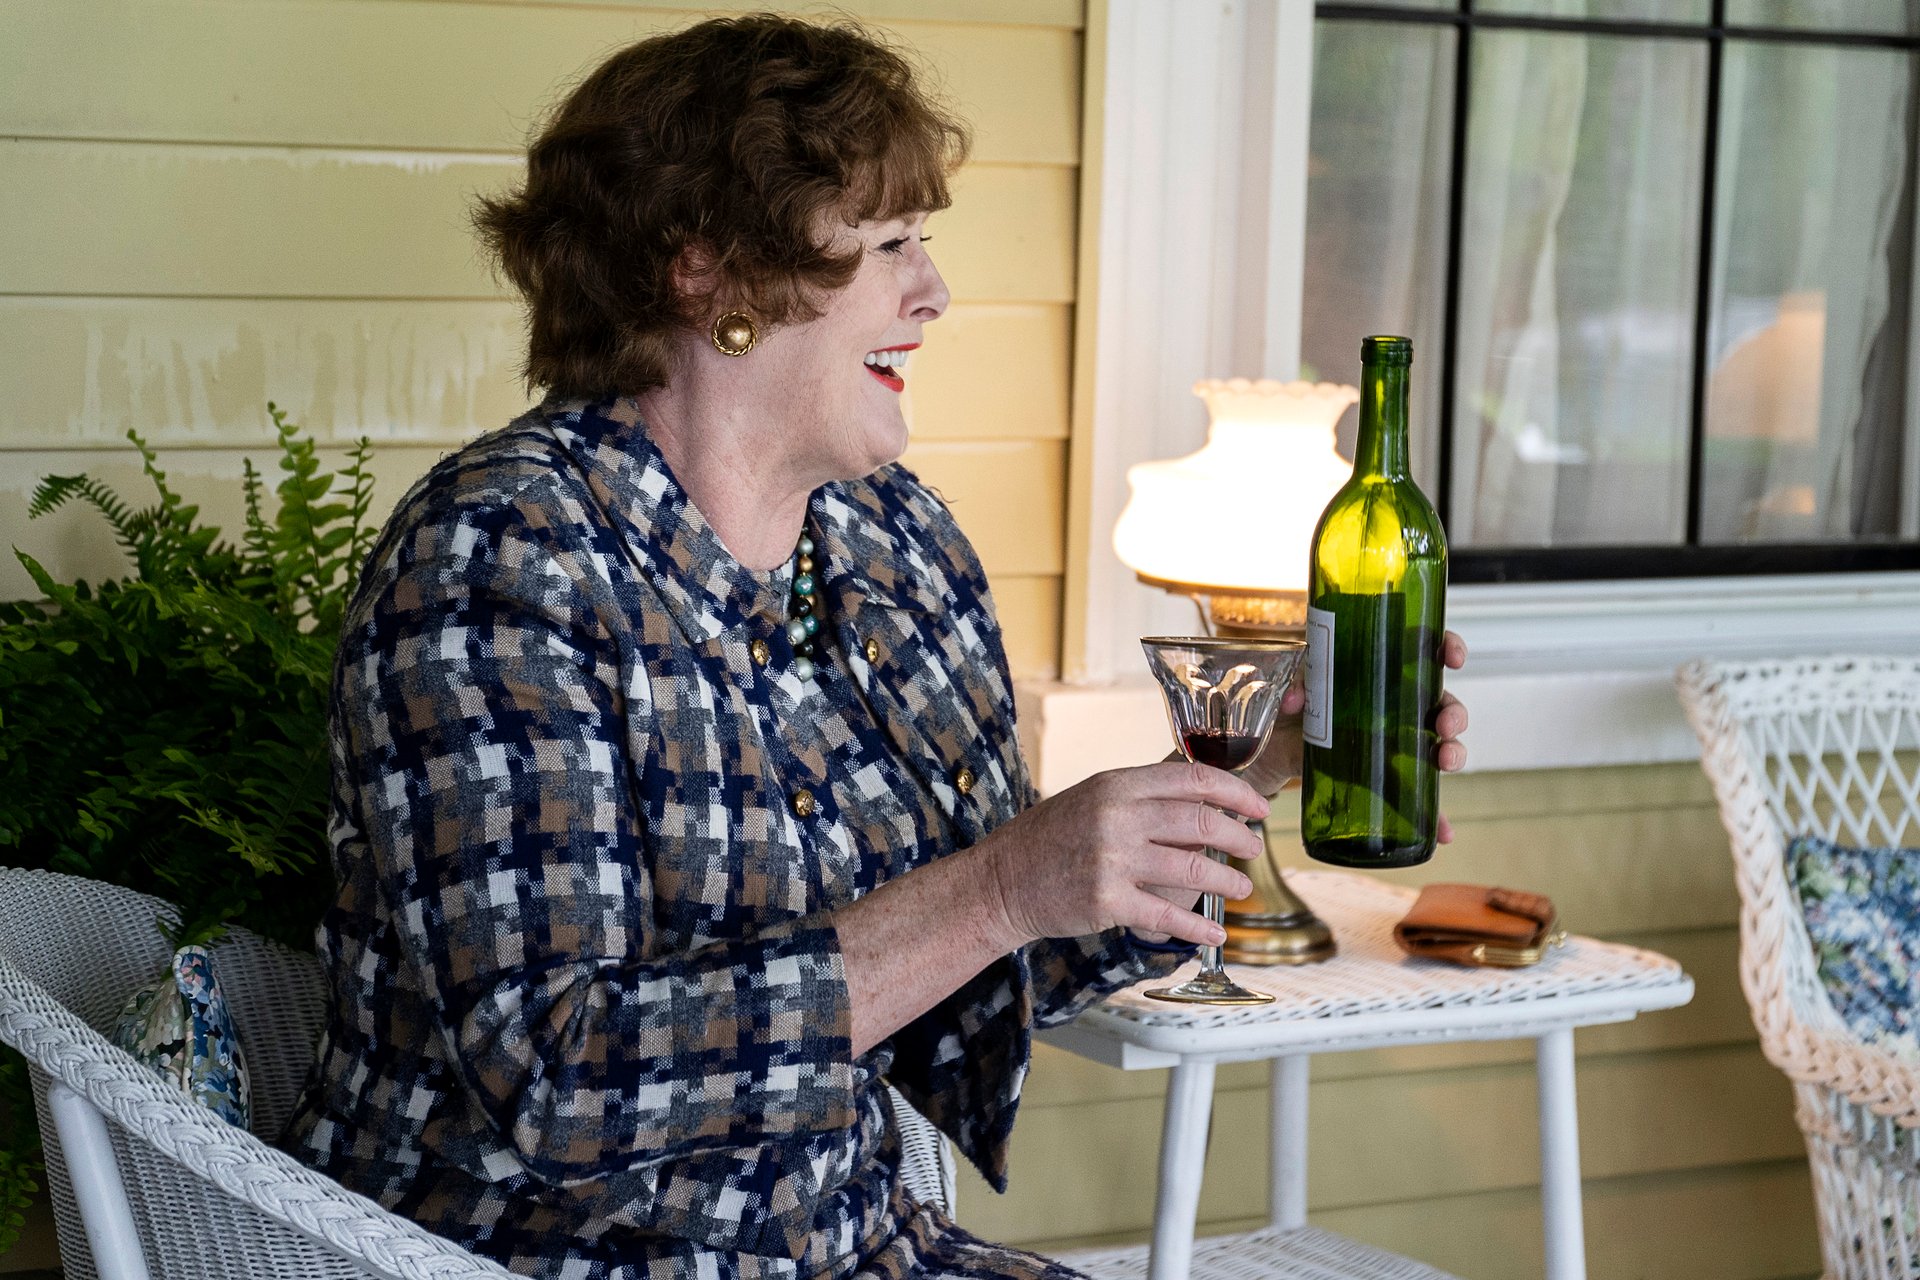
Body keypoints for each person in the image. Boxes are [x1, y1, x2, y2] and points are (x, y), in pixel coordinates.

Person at [283, 14, 1471, 1280]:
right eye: (891, 243)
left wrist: (1249, 774)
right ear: (713, 275)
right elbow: (563, 1077)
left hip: (860, 1249)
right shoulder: (499, 561)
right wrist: (1007, 884)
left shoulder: (895, 547)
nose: (935, 291)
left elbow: (982, 959)